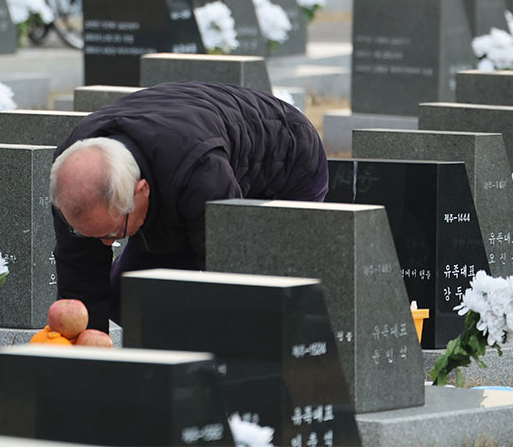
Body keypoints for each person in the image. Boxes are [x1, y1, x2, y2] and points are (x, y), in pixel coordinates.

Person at [48, 81, 329, 331]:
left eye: (112, 232)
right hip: (176, 166)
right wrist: (87, 350)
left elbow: (231, 270)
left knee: (252, 308)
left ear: (141, 190)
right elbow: (79, 272)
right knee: (127, 298)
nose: (106, 244)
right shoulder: (74, 173)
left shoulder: (201, 174)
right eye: (90, 233)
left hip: (286, 161)